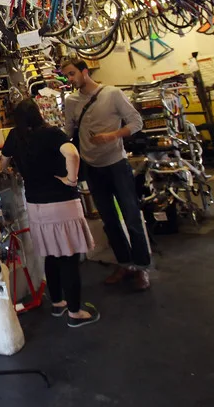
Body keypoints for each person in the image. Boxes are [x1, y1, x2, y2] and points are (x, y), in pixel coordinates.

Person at [0, 99, 99, 327]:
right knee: (69, 258)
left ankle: (58, 303)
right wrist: (71, 180)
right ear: (38, 114)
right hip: (61, 203)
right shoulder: (51, 134)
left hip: (36, 207)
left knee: (51, 255)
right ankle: (75, 313)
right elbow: (72, 154)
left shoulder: (14, 137)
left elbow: (1, 166)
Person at [60, 57, 151, 290]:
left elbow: (136, 122)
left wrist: (113, 135)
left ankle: (142, 268)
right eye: (67, 76)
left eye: (72, 74)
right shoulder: (70, 101)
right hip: (92, 167)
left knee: (131, 216)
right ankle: (124, 263)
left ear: (84, 71)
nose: (69, 79)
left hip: (116, 163)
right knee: (109, 220)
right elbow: (68, 131)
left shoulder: (112, 94)